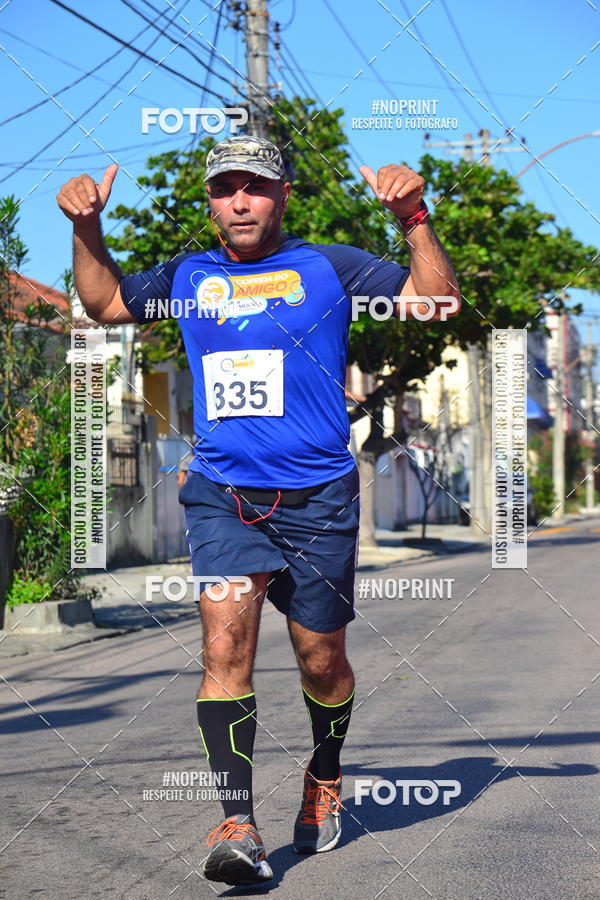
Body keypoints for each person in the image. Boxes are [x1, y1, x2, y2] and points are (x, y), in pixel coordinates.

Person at [57, 135, 460, 887]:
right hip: (224, 495)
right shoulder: (187, 276)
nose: (239, 201)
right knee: (224, 648)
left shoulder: (331, 267)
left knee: (321, 660)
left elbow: (436, 302)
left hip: (319, 499)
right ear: (210, 201)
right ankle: (237, 823)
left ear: (283, 195)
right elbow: (105, 303)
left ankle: (324, 773)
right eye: (225, 188)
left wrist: (413, 218)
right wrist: (86, 227)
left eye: (255, 186)